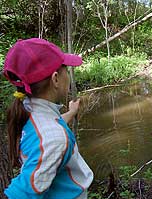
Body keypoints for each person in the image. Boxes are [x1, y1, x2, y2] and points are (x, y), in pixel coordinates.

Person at [3, 38, 93, 199]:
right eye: (65, 68)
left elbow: (46, 131)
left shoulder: (28, 110)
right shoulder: (54, 138)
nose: (68, 74)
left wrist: (71, 113)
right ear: (56, 79)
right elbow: (21, 194)